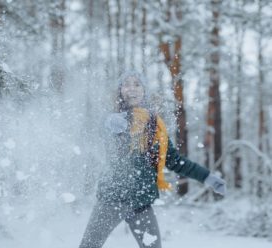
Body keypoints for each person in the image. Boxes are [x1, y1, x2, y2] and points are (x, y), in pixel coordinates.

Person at [78, 71, 226, 248]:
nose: (132, 88)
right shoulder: (111, 119)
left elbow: (175, 160)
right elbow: (101, 141)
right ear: (120, 91)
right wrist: (111, 127)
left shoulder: (155, 126)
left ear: (144, 91)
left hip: (141, 202)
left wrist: (207, 177)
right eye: (126, 84)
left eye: (137, 84)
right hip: (111, 199)